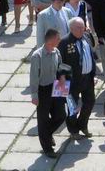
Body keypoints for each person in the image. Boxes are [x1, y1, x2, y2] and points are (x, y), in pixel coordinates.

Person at [30, 28, 66, 158]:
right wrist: (34, 95)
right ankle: (47, 148)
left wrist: (62, 76)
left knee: (61, 115)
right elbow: (34, 77)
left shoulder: (56, 52)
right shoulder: (37, 56)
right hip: (43, 89)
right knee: (43, 119)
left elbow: (61, 66)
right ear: (50, 39)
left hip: (55, 86)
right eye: (58, 38)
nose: (59, 40)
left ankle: (46, 134)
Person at [58, 17, 96, 138]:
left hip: (87, 78)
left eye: (83, 27)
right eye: (78, 28)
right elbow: (59, 62)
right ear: (71, 28)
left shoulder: (86, 37)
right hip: (72, 81)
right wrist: (61, 79)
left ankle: (83, 125)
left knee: (90, 102)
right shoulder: (64, 42)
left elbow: (91, 55)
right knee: (72, 107)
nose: (81, 30)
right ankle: (73, 129)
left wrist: (93, 74)